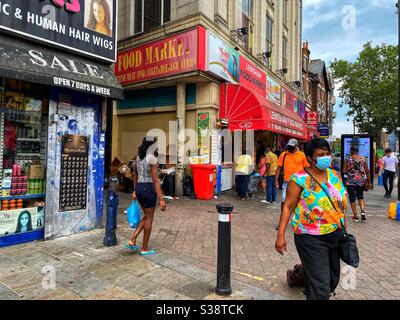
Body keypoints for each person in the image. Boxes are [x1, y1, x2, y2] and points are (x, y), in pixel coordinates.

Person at [275, 138, 349, 300]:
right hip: (310, 237)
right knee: (321, 287)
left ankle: (298, 274)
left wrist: (344, 228)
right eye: (320, 154)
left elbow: (339, 203)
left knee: (332, 278)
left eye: (327, 153)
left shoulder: (335, 175)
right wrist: (280, 235)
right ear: (309, 157)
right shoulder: (299, 179)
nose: (326, 157)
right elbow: (287, 206)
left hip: (335, 233)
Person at [125, 136, 167, 255]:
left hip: (139, 187)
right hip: (148, 188)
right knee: (149, 218)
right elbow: (155, 180)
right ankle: (144, 248)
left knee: (147, 216)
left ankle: (132, 240)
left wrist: (135, 190)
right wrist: (161, 199)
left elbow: (134, 175)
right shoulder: (152, 159)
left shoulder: (138, 157)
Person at [274, 139, 309, 229]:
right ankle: (281, 223)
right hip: (287, 182)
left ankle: (299, 223)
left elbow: (306, 168)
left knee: (299, 203)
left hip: (299, 183)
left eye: (292, 147)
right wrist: (276, 179)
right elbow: (279, 168)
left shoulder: (301, 155)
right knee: (283, 202)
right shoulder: (284, 154)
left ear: (296, 146)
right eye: (289, 146)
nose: (290, 148)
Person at [342, 145, 371, 222]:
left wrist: (349, 171)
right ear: (358, 151)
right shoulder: (363, 158)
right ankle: (362, 211)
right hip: (361, 181)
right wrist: (369, 182)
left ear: (351, 151)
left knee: (352, 198)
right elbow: (367, 171)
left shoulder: (347, 159)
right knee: (360, 196)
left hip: (351, 181)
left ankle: (355, 216)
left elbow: (344, 171)